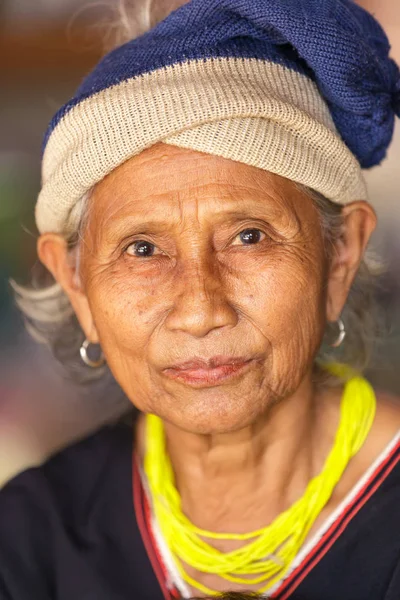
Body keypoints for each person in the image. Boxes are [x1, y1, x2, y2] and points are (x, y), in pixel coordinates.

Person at [1, 0, 400, 598]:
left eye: (249, 236)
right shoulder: (31, 535)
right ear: (77, 284)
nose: (200, 309)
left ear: (339, 257)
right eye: (141, 249)